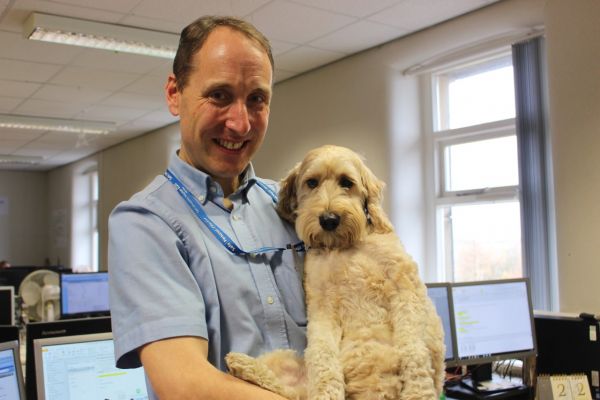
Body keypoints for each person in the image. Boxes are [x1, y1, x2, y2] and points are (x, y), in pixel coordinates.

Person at [108, 16, 306, 400]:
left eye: (257, 99)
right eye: (219, 95)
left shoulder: (293, 206)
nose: (240, 123)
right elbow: (186, 386)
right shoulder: (145, 223)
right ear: (173, 93)